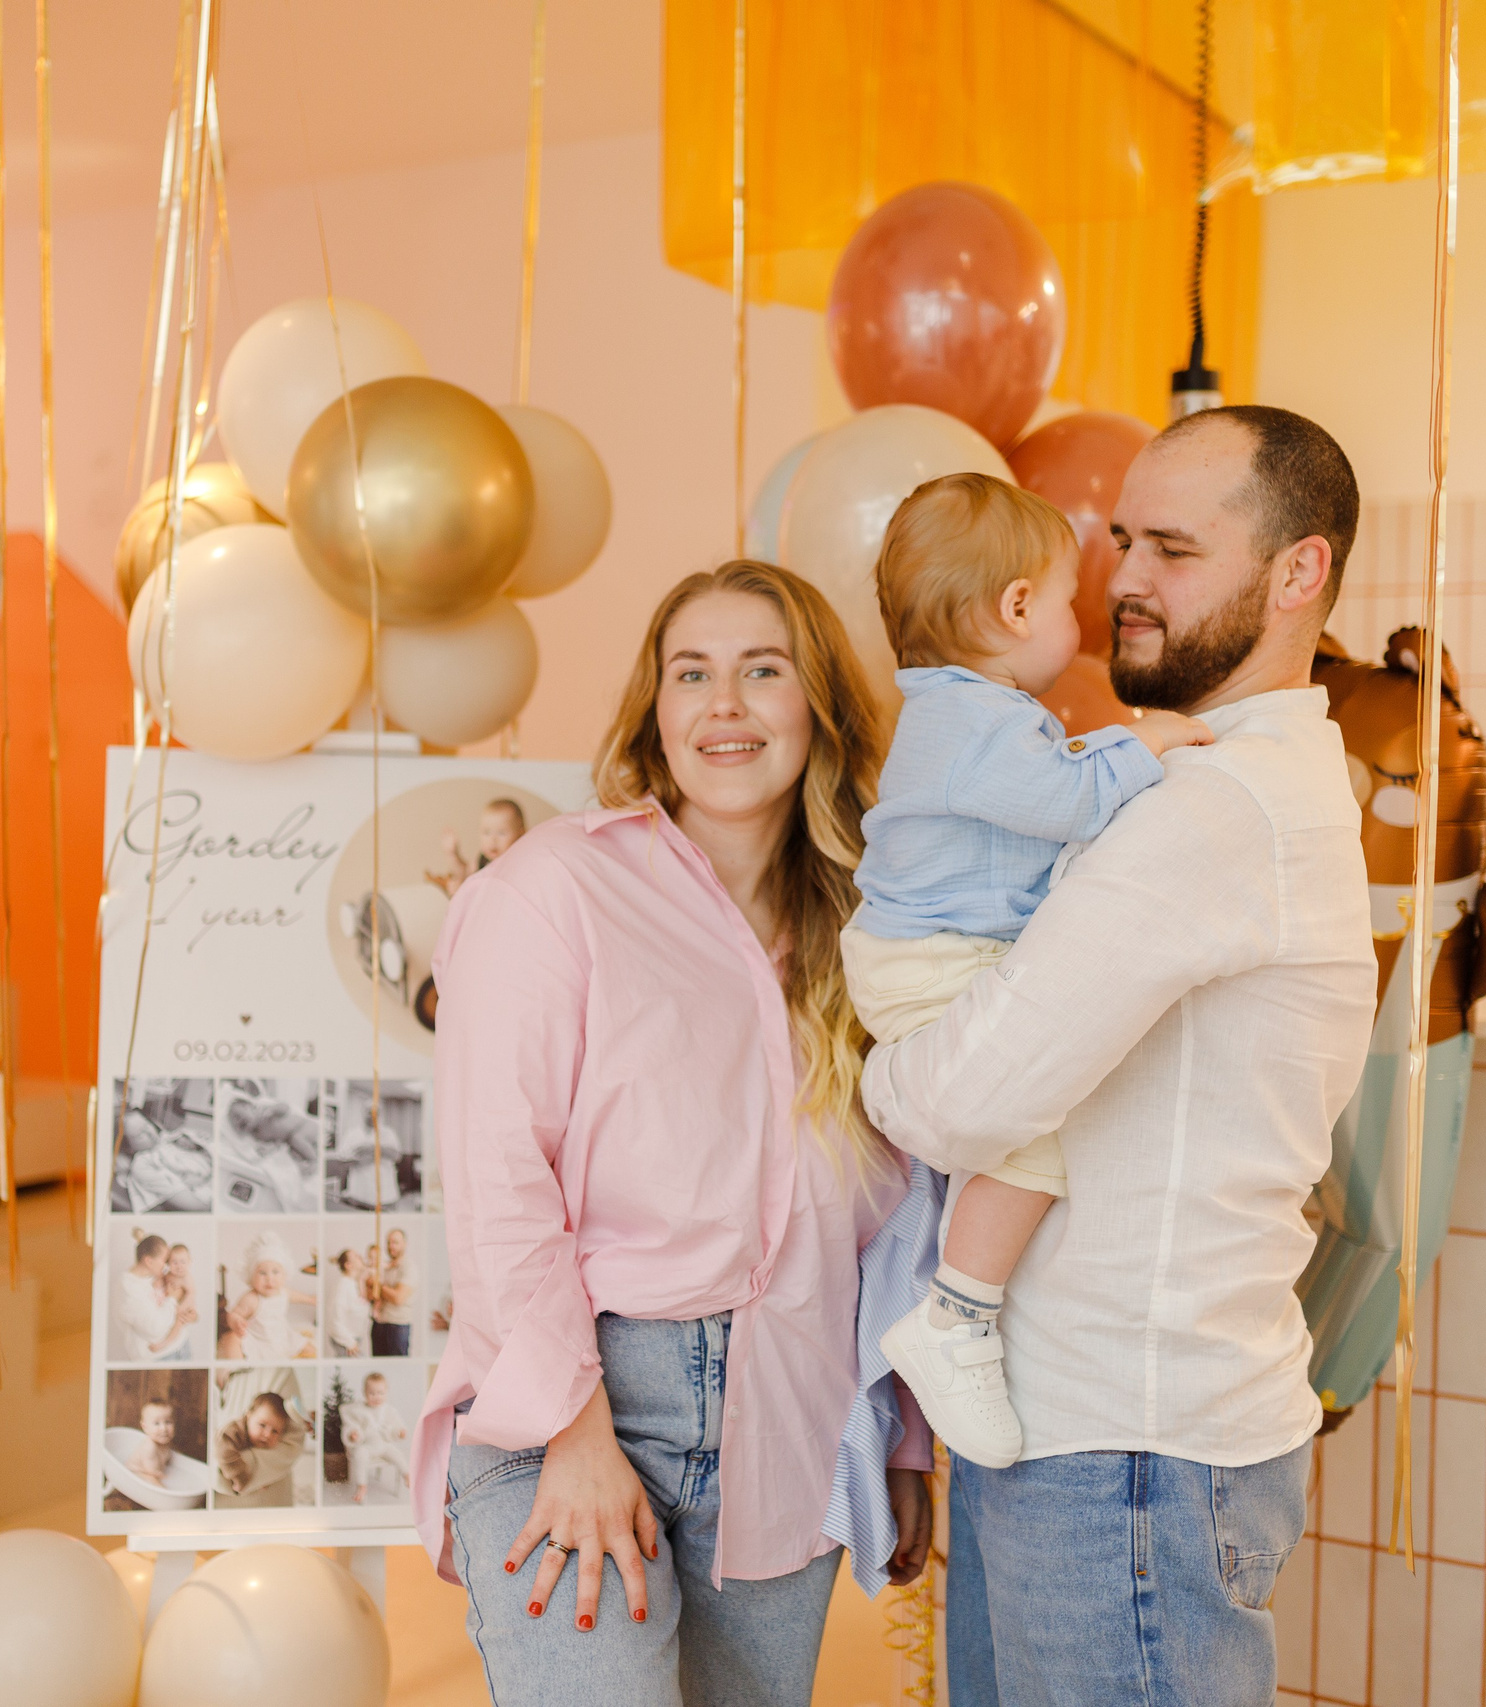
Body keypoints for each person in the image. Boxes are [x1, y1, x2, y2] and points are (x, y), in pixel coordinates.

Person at [861, 406, 1378, 1707]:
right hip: (1085, 1430)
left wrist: (875, 1068)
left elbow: (967, 1097)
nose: (1129, 581)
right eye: (1124, 540)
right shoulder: (1191, 779)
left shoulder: (1214, 806)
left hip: (1131, 1452)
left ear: (1298, 571)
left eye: (1177, 550)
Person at [417, 560, 934, 1707]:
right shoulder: (552, 890)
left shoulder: (876, 940)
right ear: (655, 712)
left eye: (764, 671)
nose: (724, 706)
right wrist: (574, 1430)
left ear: (819, 709)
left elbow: (897, 1223)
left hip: (791, 1417)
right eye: (690, 674)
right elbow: (501, 1179)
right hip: (584, 1395)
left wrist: (896, 1439)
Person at [844, 472, 1213, 1468]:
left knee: (1012, 1126)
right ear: (1014, 609)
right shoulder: (973, 723)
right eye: (1063, 602)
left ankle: (960, 1299)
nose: (1079, 622)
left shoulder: (965, 713)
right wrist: (1145, 746)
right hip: (930, 960)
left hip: (926, 952)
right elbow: (1060, 801)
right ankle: (955, 1319)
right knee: (1030, 1138)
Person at [221, 1231, 316, 1362]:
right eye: (262, 1273)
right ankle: (234, 1370)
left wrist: (311, 1299)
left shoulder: (283, 1292)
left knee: (309, 1348)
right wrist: (237, 1321)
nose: (269, 1278)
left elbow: (297, 1296)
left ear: (285, 1275)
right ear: (251, 1276)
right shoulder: (251, 1299)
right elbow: (233, 1314)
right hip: (258, 1341)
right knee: (231, 1339)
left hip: (282, 1337)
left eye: (276, 1272)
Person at [113, 1232, 198, 1362]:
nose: (167, 1266)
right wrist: (173, 1298)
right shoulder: (128, 1288)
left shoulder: (155, 1273)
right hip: (159, 1357)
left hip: (182, 1345)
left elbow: (186, 1299)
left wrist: (192, 1316)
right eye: (165, 1260)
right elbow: (155, 1328)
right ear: (149, 1261)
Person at [217, 1390, 311, 1502]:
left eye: (275, 1431)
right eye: (262, 1425)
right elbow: (224, 1452)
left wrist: (260, 1479)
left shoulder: (262, 1441)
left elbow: (267, 1466)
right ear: (248, 1416)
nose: (267, 1434)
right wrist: (239, 1477)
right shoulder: (232, 1432)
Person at [428, 798, 529, 897]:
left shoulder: (514, 863)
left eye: (501, 833)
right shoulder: (484, 859)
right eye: (486, 832)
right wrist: (453, 854)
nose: (492, 840)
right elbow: (466, 872)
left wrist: (464, 890)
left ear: (521, 833)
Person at [341, 1370, 411, 1505]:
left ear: (386, 1392)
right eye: (372, 1393)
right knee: (360, 1454)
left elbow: (397, 1425)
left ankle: (407, 1474)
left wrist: (399, 1432)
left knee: (397, 1454)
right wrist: (353, 1434)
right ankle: (362, 1486)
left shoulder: (389, 1410)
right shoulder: (359, 1411)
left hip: (384, 1445)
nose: (376, 1397)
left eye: (380, 1393)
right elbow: (351, 1424)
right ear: (364, 1393)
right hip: (368, 1445)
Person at [367, 1226, 417, 1357]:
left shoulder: (409, 1267)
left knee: (397, 1365)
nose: (391, 1246)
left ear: (404, 1244)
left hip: (397, 1327)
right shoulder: (384, 1266)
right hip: (378, 1325)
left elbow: (398, 1298)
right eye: (388, 1242)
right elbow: (372, 1294)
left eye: (395, 1242)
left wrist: (377, 1285)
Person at [325, 1247, 374, 1357]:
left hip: (353, 1341)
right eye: (357, 1257)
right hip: (346, 1343)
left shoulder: (354, 1284)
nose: (361, 1258)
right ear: (348, 1265)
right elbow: (334, 1320)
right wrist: (350, 1343)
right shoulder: (342, 1287)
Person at [125, 1398, 181, 1485]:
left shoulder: (165, 1442)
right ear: (145, 1427)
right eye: (156, 1423)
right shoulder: (149, 1447)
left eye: (168, 1422)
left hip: (153, 1470)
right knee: (152, 1480)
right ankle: (165, 1495)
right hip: (136, 1472)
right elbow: (153, 1472)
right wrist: (167, 1479)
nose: (164, 1428)